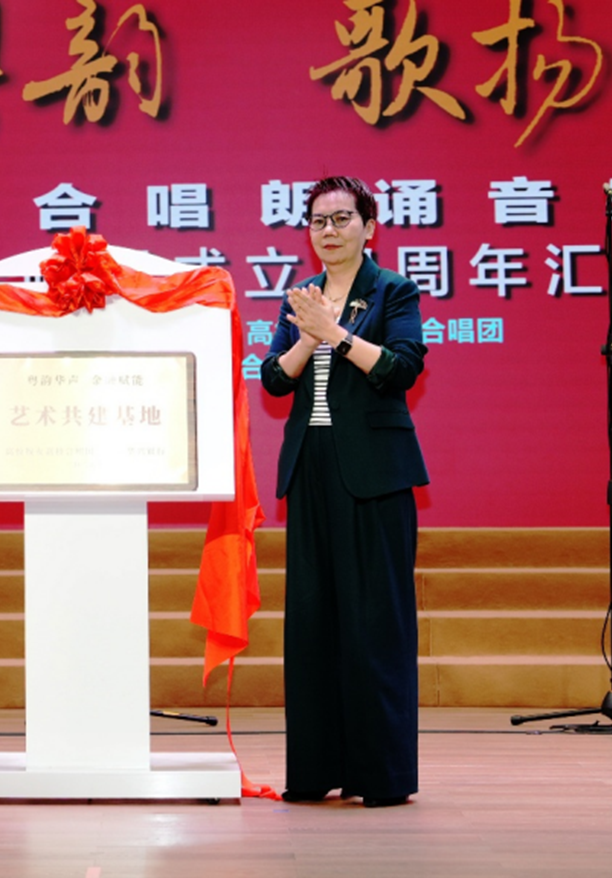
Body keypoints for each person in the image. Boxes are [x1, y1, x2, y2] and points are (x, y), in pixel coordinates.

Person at [260, 175, 428, 808]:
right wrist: (309, 334)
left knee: (374, 624)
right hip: (311, 470)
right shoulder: (301, 299)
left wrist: (337, 335)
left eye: (341, 219)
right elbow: (274, 379)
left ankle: (380, 775)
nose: (328, 231)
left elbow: (402, 368)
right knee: (313, 623)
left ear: (369, 226)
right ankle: (314, 770)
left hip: (375, 475)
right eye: (318, 221)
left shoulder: (393, 290)